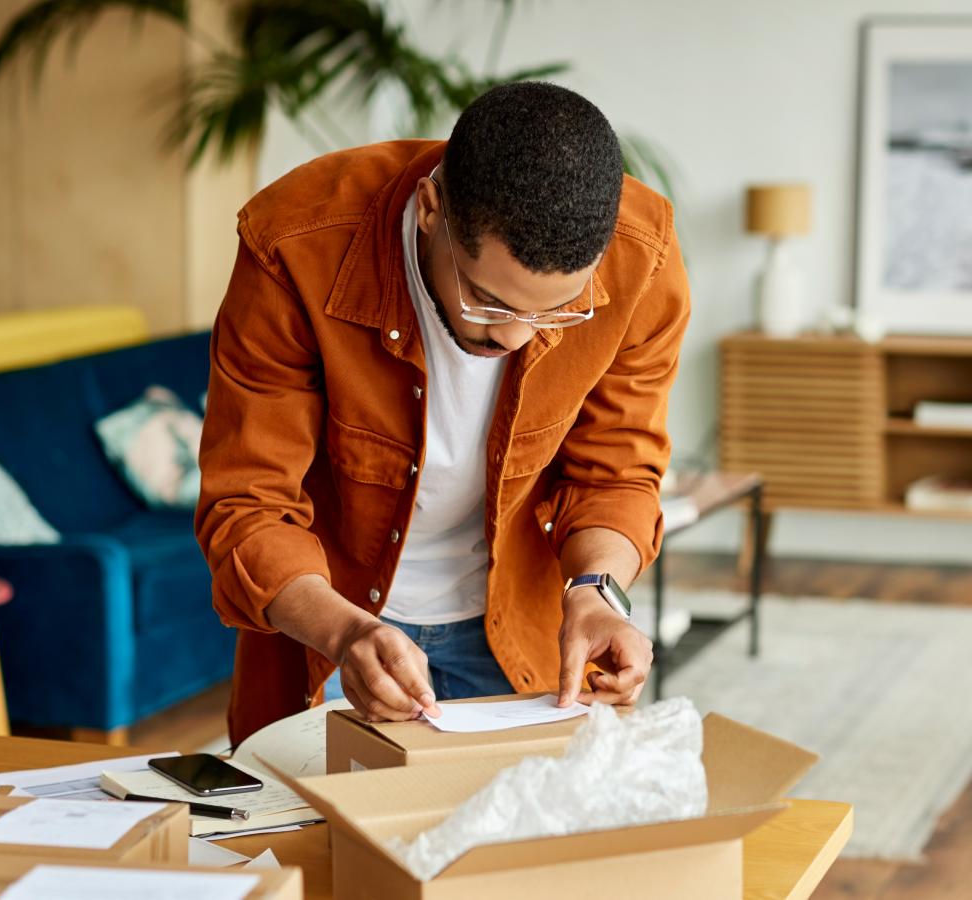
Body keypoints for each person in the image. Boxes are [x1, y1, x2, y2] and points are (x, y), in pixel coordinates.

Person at [196, 81, 690, 745]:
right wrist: (346, 631)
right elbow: (247, 504)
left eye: (554, 311)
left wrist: (599, 593)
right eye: (489, 301)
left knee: (516, 844)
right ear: (431, 208)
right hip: (328, 631)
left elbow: (617, 473)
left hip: (519, 631)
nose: (516, 336)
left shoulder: (642, 258)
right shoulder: (296, 244)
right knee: (312, 843)